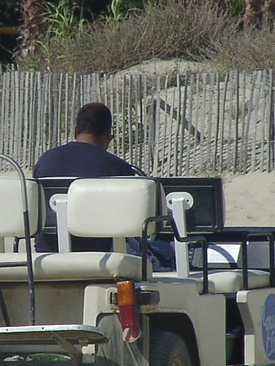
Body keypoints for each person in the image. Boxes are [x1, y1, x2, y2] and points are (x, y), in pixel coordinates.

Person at [33, 103, 174, 271]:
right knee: (167, 250)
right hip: (102, 254)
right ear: (108, 134)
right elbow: (132, 224)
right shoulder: (117, 167)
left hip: (47, 252)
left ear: (75, 131)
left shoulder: (44, 161)